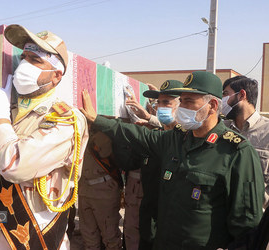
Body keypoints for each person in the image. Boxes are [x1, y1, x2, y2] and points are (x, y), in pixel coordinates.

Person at [80, 71, 264, 249]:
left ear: (213, 105)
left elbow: (246, 226)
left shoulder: (237, 152)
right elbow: (137, 134)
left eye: (189, 101)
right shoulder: (176, 139)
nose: (182, 107)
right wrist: (97, 120)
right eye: (181, 101)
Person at [0, 24, 89, 249]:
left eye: (35, 60)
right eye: (23, 57)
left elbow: (15, 165)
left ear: (56, 76)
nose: (24, 65)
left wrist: (0, 117)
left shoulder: (66, 119)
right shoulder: (5, 112)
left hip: (32, 235)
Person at [122, 80, 182, 250]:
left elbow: (176, 134)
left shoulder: (188, 138)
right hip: (150, 217)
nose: (160, 107)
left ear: (181, 105)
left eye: (166, 102)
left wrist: (149, 117)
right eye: (158, 102)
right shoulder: (156, 133)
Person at [222, 76, 269, 209]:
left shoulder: (267, 132)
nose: (222, 101)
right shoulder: (221, 129)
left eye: (225, 94)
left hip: (257, 217)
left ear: (242, 95)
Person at [78, 129, 123, 249]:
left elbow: (106, 152)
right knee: (89, 237)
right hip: (84, 190)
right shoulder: (76, 133)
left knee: (110, 237)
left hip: (103, 192)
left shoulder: (103, 134)